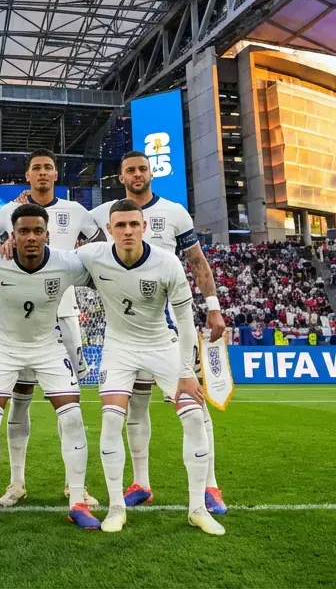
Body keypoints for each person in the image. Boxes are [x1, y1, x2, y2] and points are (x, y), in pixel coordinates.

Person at [87, 150, 229, 515]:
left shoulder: (175, 212)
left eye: (142, 169)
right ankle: (141, 482)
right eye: (130, 170)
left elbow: (197, 262)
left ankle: (210, 485)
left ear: (151, 173)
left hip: (167, 324)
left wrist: (213, 306)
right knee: (134, 406)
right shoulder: (104, 214)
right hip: (124, 324)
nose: (137, 174)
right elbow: (72, 238)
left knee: (192, 399)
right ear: (121, 177)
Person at [0, 203, 98, 530]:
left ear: (47, 234)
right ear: (12, 235)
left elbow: (105, 275)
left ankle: (78, 501)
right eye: (23, 231)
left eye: (37, 231)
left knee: (72, 417)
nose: (30, 237)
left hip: (47, 346)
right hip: (4, 346)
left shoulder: (66, 263)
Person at [0, 149, 102, 508]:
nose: (42, 173)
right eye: (36, 168)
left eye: (48, 168)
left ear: (56, 175)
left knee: (68, 404)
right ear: (27, 175)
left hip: (65, 315)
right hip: (19, 323)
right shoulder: (7, 213)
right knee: (18, 403)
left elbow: (101, 246)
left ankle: (76, 486)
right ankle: (17, 482)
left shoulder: (75, 211)